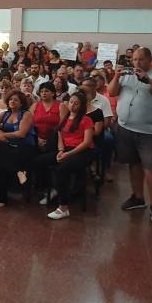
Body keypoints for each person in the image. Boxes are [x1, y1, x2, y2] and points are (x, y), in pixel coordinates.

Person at [108, 48, 152, 224]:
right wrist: (116, 76)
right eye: (134, 59)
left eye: (141, 59)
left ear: (150, 59)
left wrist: (148, 80)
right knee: (134, 163)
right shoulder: (128, 74)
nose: (137, 63)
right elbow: (112, 92)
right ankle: (138, 198)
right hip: (126, 128)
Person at [33, 92, 95, 220]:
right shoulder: (66, 118)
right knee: (39, 161)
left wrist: (68, 154)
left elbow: (87, 142)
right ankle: (53, 189)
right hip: (65, 149)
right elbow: (60, 134)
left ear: (82, 106)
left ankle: (63, 207)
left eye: (76, 103)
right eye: (71, 102)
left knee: (62, 169)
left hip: (81, 152)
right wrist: (61, 150)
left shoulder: (86, 119)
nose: (73, 105)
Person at [0, 90, 36, 208]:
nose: (12, 101)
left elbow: (21, 134)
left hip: (24, 147)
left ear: (21, 103)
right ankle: (16, 173)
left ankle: (1, 197)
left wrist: (4, 135)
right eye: (10, 99)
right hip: (8, 147)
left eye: (16, 100)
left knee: (0, 158)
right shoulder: (5, 114)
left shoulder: (26, 114)